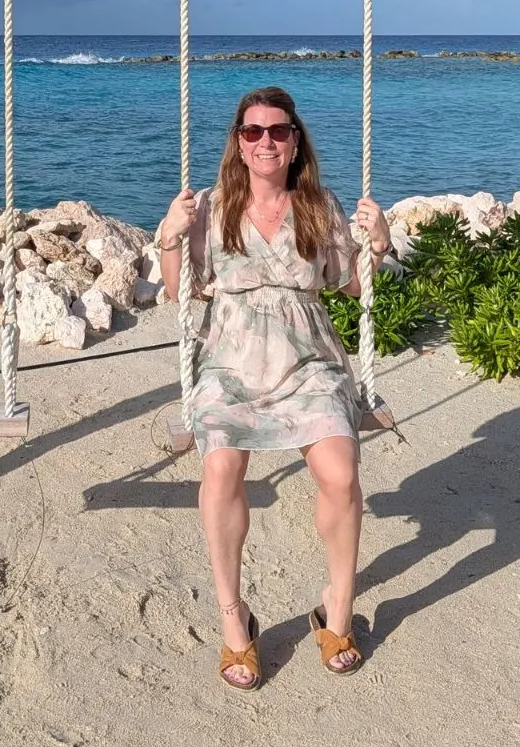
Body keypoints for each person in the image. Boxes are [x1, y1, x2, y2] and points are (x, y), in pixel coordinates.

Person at [158, 86, 391, 691]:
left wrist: (379, 244)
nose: (266, 141)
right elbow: (179, 293)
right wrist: (169, 236)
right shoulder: (209, 208)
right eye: (253, 131)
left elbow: (351, 286)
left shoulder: (319, 205)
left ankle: (337, 607)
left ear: (295, 142)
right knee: (220, 469)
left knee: (340, 473)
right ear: (238, 144)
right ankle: (234, 618)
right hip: (229, 363)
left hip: (308, 361)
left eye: (279, 131)